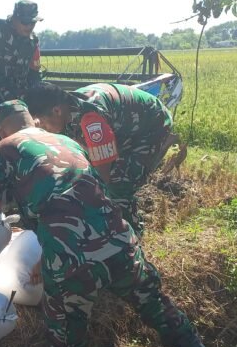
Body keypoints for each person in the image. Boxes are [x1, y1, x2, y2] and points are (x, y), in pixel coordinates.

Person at [0, 100, 237, 347]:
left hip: (70, 260)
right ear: (34, 120)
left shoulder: (3, 150)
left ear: (0, 130)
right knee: (158, 308)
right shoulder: (66, 141)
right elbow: (85, 198)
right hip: (120, 240)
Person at [23, 82, 177, 235]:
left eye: (42, 124)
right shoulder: (66, 112)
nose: (43, 130)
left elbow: (104, 173)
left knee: (119, 183)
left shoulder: (90, 119)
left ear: (56, 110)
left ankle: (130, 234)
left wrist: (85, 204)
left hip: (150, 126)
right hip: (120, 127)